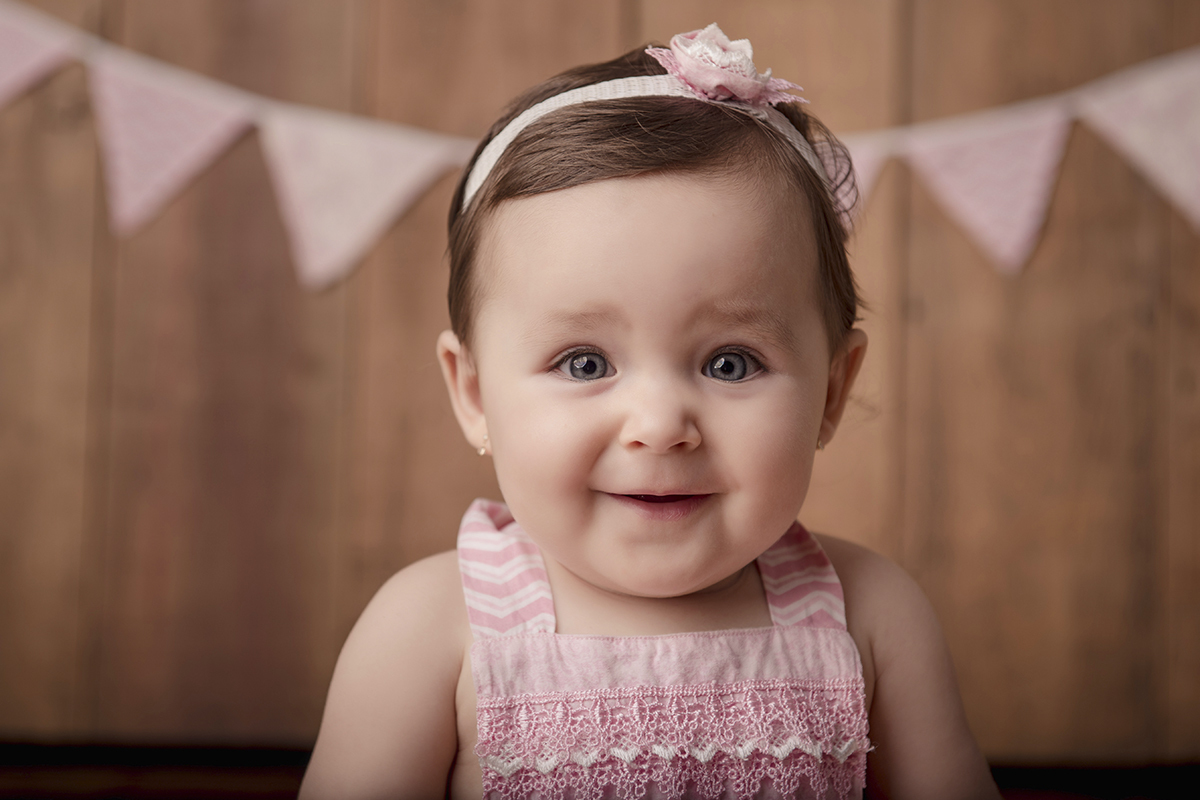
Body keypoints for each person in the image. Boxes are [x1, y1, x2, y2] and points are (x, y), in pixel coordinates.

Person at [299, 24, 1001, 800]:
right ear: (474, 395)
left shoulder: (869, 614)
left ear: (831, 392)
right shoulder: (430, 630)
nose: (661, 425)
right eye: (585, 363)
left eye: (730, 363)